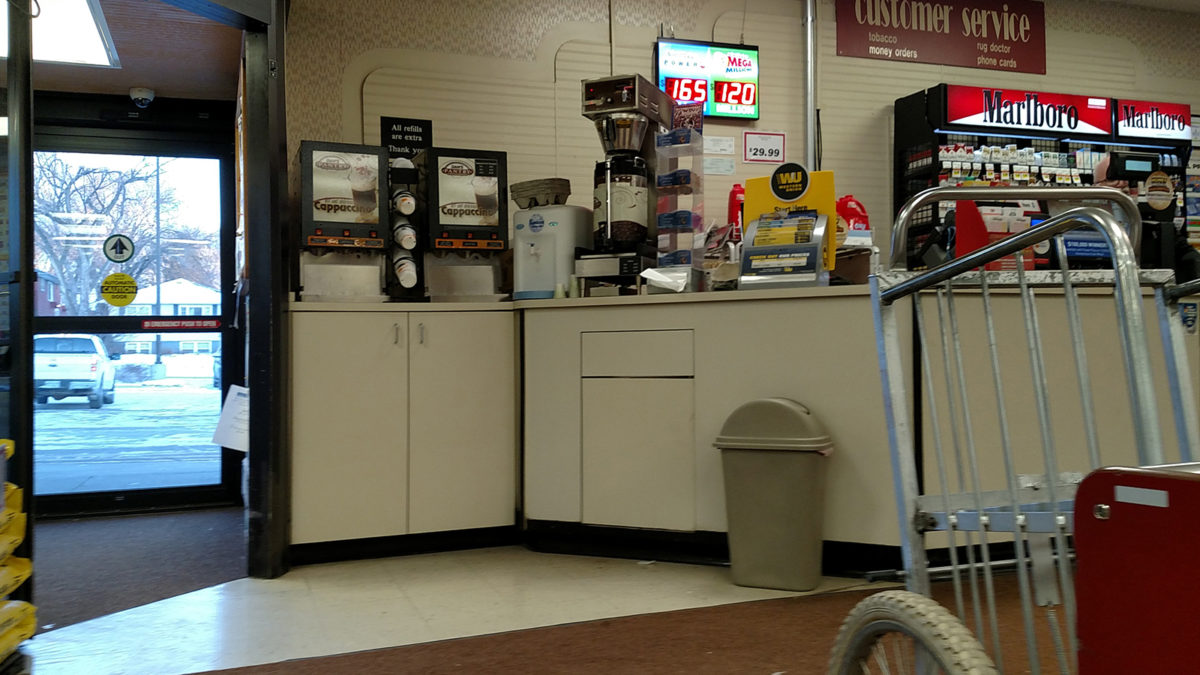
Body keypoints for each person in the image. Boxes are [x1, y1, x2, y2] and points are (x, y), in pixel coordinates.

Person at [1092, 154, 1200, 283]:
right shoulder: (1082, 227)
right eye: (1112, 179)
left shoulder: (1158, 231)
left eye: (1128, 180)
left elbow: (1190, 258)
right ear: (1095, 187)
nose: (1122, 185)